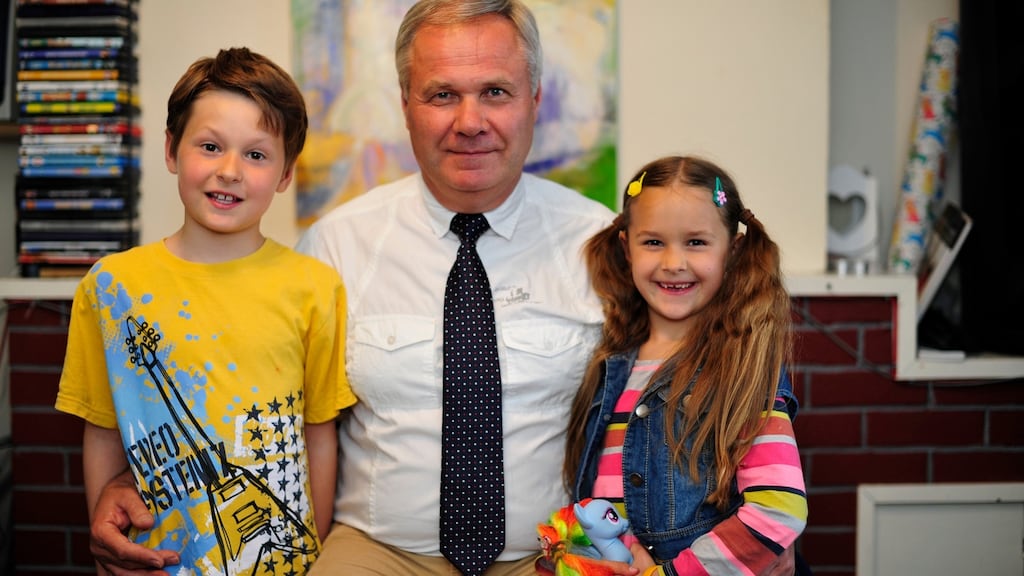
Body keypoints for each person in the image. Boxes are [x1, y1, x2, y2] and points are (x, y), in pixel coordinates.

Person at [86, 3, 800, 575]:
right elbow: (249, 391)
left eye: (495, 92)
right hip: (375, 551)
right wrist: (126, 481)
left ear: (534, 100)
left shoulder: (604, 247)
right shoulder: (334, 246)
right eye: (441, 95)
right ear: (405, 103)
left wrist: (750, 529)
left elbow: (711, 368)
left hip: (554, 554)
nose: (469, 121)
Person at [54, 47, 356, 576]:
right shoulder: (110, 286)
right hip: (158, 560)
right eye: (210, 146)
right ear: (172, 150)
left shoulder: (316, 287)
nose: (230, 171)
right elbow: (102, 428)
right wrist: (108, 551)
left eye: (257, 155)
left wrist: (318, 551)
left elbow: (319, 430)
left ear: (286, 174)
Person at [562, 156, 808, 575]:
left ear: (733, 250)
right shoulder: (611, 364)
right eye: (654, 242)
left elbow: (777, 511)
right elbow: (598, 501)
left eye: (695, 242)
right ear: (626, 248)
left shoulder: (742, 368)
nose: (674, 262)